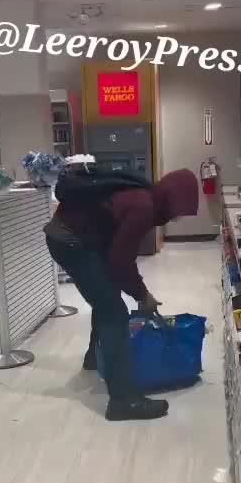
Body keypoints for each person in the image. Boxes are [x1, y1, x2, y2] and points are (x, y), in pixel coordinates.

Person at [45, 167, 199, 421]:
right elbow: (120, 261)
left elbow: (117, 253)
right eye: (179, 210)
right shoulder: (143, 206)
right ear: (172, 199)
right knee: (114, 312)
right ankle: (123, 401)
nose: (176, 218)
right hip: (71, 242)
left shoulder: (144, 197)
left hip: (71, 236)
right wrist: (142, 294)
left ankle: (96, 358)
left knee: (106, 294)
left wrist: (136, 290)